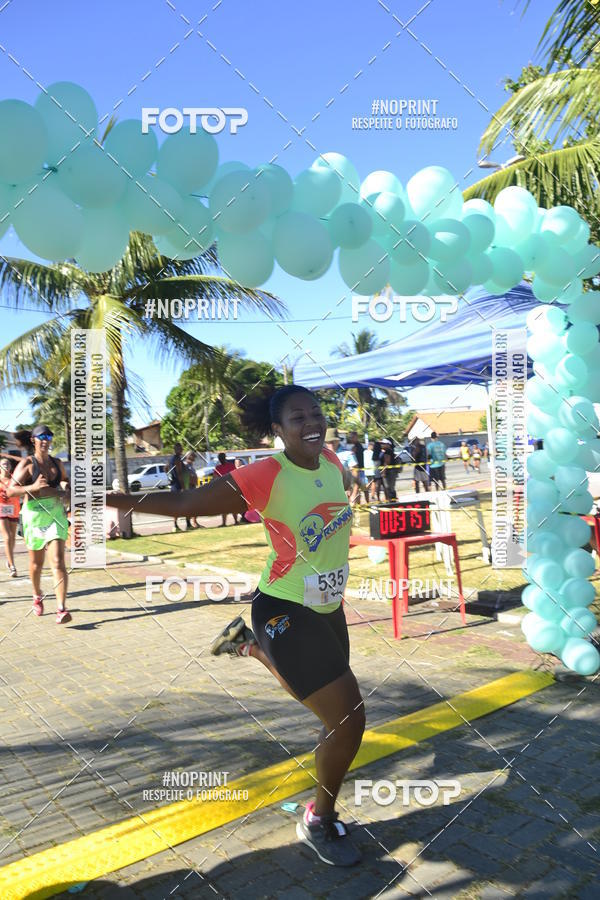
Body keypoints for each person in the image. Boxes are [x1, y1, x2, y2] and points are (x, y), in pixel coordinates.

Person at [107, 385, 365, 867]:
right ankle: (319, 819)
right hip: (283, 608)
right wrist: (104, 497)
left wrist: (353, 490)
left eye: (316, 413)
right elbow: (185, 505)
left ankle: (246, 646)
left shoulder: (329, 459)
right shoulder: (266, 472)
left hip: (329, 608)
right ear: (277, 430)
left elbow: (335, 494)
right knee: (347, 718)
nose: (311, 422)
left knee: (311, 698)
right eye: (296, 418)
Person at [6, 425, 72, 623]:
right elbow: (10, 491)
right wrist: (32, 487)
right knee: (36, 564)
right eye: (41, 437)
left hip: (56, 514)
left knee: (58, 561)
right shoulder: (27, 463)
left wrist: (66, 488)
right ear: (33, 440)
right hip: (34, 516)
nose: (46, 440)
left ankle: (61, 608)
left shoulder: (57, 463)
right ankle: (37, 594)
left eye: (49, 436)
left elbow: (64, 482)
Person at [0, 458, 20, 577]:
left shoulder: (15, 478)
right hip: (1, 508)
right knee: (7, 537)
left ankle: (8, 559)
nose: (6, 466)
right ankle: (12, 566)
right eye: (3, 464)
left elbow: (21, 490)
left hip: (14, 508)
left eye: (8, 464)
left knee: (12, 538)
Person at [213, 452, 240, 526]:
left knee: (226, 505)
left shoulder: (218, 467)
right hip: (228, 487)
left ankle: (226, 522)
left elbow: (215, 479)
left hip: (225, 488)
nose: (221, 459)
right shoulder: (230, 466)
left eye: (221, 458)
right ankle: (234, 521)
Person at [347, 430, 368, 508]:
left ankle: (359, 503)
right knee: (359, 488)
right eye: (350, 438)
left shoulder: (357, 447)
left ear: (356, 437)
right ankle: (359, 503)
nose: (351, 439)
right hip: (359, 469)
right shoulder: (357, 446)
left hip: (358, 470)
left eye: (352, 437)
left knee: (357, 488)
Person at [168, 442, 185, 532]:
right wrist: (183, 486)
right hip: (177, 485)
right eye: (180, 448)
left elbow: (165, 468)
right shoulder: (177, 459)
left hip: (173, 484)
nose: (182, 450)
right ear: (177, 449)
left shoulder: (171, 459)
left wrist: (170, 477)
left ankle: (175, 525)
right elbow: (179, 473)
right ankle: (176, 525)